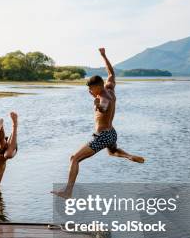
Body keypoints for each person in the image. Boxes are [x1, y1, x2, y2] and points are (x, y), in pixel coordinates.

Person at [52, 48, 144, 199]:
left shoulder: (102, 97)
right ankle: (129, 156)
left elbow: (104, 107)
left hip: (102, 136)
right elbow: (111, 73)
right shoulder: (110, 88)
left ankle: (68, 191)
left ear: (97, 86)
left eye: (91, 88)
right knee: (112, 152)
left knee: (74, 158)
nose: (90, 91)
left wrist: (97, 104)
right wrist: (104, 55)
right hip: (112, 133)